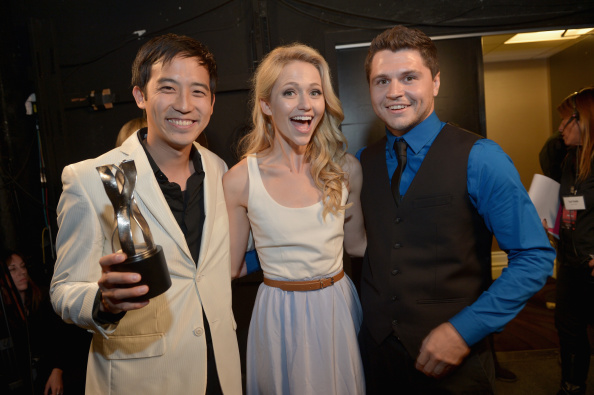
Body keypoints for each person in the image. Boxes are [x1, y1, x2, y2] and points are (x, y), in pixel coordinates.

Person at [356, 25, 556, 393]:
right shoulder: (360, 164)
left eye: (409, 77)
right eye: (381, 81)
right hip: (377, 360)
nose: (394, 91)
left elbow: (534, 256)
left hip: (456, 370)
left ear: (435, 82)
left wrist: (464, 330)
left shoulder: (481, 158)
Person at [50, 34, 242, 394]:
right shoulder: (89, 179)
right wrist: (103, 301)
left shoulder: (220, 170)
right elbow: (63, 291)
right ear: (141, 95)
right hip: (143, 380)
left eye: (198, 92)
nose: (185, 105)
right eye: (168, 88)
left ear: (212, 102)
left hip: (220, 371)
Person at [223, 43, 367, 394]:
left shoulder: (345, 170)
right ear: (266, 105)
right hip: (278, 314)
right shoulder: (240, 179)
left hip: (336, 307)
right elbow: (230, 267)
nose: (306, 104)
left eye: (315, 92)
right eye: (290, 92)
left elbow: (359, 246)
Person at [1, 251, 89, 395]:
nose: (21, 272)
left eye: (23, 267)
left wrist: (57, 370)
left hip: (61, 367)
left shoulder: (44, 299)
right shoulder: (6, 315)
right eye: (13, 269)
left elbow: (65, 337)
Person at [554, 87, 594, 395]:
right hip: (569, 259)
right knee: (567, 326)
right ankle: (572, 384)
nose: (559, 128)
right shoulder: (571, 160)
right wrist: (553, 228)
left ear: (585, 121)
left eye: (566, 120)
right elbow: (569, 204)